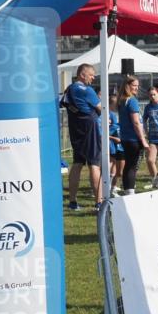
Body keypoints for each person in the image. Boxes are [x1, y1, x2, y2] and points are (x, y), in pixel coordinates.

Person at [61, 63, 102, 210]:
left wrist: (77, 111)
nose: (93, 77)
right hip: (89, 127)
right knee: (94, 164)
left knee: (77, 163)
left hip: (75, 127)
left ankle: (73, 201)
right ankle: (99, 202)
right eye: (91, 75)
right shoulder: (88, 90)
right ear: (82, 74)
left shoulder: (70, 89)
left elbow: (64, 103)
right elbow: (100, 108)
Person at [117, 75, 148, 194]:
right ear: (127, 86)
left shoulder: (122, 100)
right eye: (134, 85)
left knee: (128, 165)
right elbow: (136, 122)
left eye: (137, 86)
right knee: (132, 166)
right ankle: (130, 192)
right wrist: (143, 139)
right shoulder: (131, 100)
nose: (136, 88)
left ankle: (128, 190)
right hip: (133, 139)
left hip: (125, 138)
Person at [107, 95, 125, 197]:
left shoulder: (119, 116)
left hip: (123, 147)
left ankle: (113, 187)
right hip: (116, 147)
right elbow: (105, 133)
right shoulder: (111, 116)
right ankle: (110, 187)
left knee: (118, 169)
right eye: (116, 104)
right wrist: (114, 139)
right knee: (117, 169)